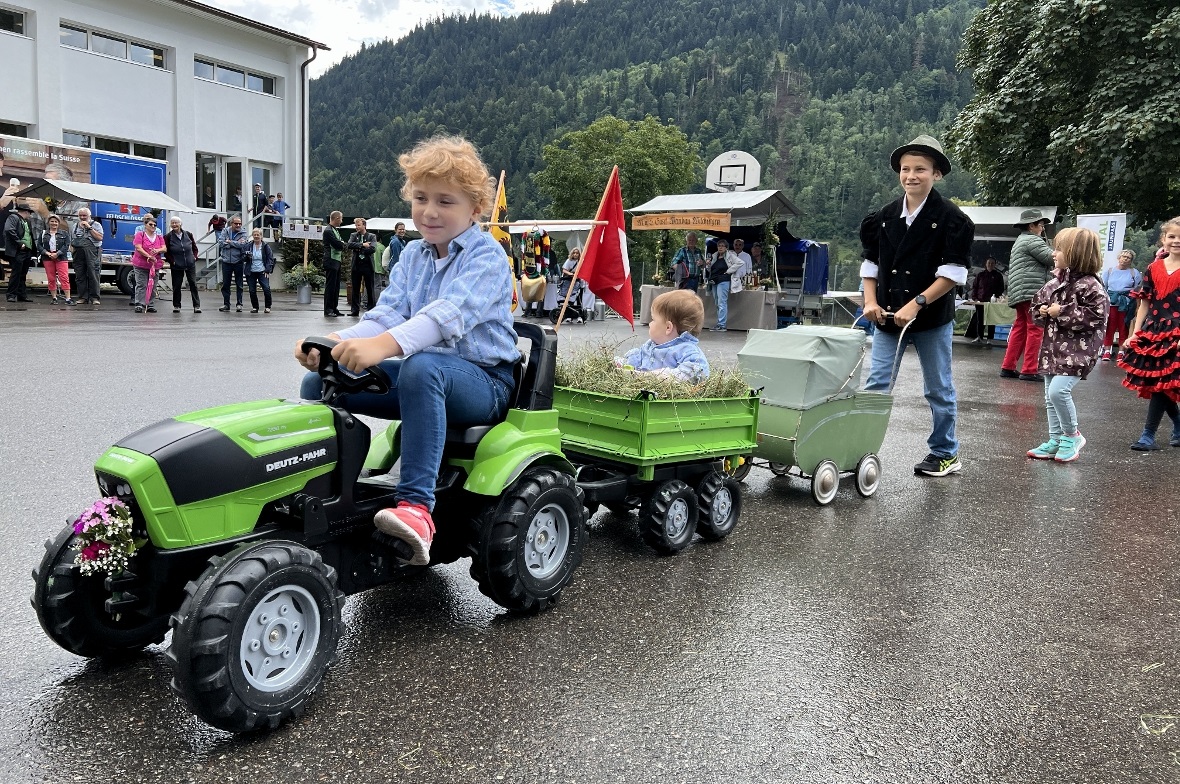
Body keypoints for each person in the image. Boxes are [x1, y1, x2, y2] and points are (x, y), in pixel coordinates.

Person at [293, 134, 518, 566]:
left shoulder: (487, 257)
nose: (429, 212)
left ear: (475, 209)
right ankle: (323, 488)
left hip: (484, 383)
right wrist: (336, 344)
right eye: (420, 198)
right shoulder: (413, 254)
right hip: (429, 377)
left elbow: (446, 316)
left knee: (421, 366)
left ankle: (417, 509)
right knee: (318, 380)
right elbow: (387, 313)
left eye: (445, 201)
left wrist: (383, 346)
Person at [860, 134, 974, 477]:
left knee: (938, 388)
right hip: (887, 317)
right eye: (905, 169)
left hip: (931, 318)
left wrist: (918, 303)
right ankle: (859, 449)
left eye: (920, 169)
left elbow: (952, 274)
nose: (911, 175)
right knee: (876, 385)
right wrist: (869, 301)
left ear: (936, 173)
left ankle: (944, 453)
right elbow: (871, 264)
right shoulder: (884, 216)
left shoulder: (953, 218)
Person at [1025, 228, 1109, 462]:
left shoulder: (1091, 286)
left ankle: (1072, 435)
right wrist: (1041, 311)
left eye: (1059, 249)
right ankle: (1056, 439)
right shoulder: (1054, 283)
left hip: (1078, 353)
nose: (1054, 253)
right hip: (1052, 351)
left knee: (1058, 392)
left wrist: (1061, 311)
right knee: (1050, 398)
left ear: (1077, 253)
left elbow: (1096, 317)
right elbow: (1036, 309)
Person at [1119, 215, 1180, 451]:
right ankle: (1176, 424)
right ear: (1163, 239)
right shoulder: (1153, 268)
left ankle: (1148, 435)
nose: (1176, 241)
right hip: (1153, 332)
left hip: (1176, 333)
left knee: (1164, 385)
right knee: (1158, 382)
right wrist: (1135, 333)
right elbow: (1144, 303)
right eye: (1171, 236)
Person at [1000, 209, 1054, 381]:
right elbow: (1051, 259)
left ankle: (1008, 367)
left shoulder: (1021, 240)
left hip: (1020, 291)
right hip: (1032, 291)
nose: (1043, 228)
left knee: (1020, 327)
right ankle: (1030, 369)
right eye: (1041, 225)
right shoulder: (1033, 240)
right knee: (1035, 328)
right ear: (1031, 226)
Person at [616, 289, 710, 382]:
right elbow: (635, 360)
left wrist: (656, 376)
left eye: (653, 319)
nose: (650, 324)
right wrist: (621, 364)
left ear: (668, 327)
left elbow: (695, 373)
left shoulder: (687, 351)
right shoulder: (650, 346)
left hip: (668, 395)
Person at [1100, 249, 1141, 361]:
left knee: (1123, 327)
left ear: (1131, 260)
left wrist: (1136, 306)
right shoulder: (1109, 271)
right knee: (1110, 326)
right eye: (1123, 256)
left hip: (1127, 303)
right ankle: (1107, 350)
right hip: (1112, 302)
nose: (1125, 259)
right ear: (1119, 258)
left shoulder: (1134, 273)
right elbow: (1104, 287)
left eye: (1128, 257)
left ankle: (1121, 351)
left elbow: (1137, 289)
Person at [164, 216, 201, 313]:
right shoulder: (168, 237)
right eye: (172, 223)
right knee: (177, 285)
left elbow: (194, 248)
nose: (174, 225)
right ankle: (177, 306)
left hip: (190, 263)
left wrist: (195, 257)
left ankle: (196, 306)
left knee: (193, 283)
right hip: (176, 265)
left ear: (180, 224)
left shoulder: (188, 234)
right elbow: (166, 252)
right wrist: (172, 261)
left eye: (176, 223)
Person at [131, 215, 166, 313]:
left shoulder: (159, 237)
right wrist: (148, 256)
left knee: (153, 285)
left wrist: (157, 250)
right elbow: (138, 247)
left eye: (155, 225)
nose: (153, 226)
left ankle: (150, 304)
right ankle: (139, 303)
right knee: (141, 284)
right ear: (145, 225)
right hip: (141, 264)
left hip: (155, 265)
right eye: (151, 224)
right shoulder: (140, 234)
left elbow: (164, 248)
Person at [70, 207, 104, 305]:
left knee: (93, 274)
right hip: (78, 253)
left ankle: (94, 298)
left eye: (84, 215)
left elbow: (100, 238)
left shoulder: (96, 225)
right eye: (80, 215)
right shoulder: (75, 226)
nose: (82, 217)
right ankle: (82, 297)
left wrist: (89, 227)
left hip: (92, 252)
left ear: (89, 216)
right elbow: (72, 239)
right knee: (80, 275)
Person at [707, 238, 742, 331]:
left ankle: (722, 325)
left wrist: (728, 271)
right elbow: (709, 269)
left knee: (722, 302)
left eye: (722, 246)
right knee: (717, 302)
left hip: (723, 280)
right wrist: (708, 264)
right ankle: (719, 323)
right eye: (719, 246)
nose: (720, 248)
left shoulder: (730, 255)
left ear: (726, 247)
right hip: (714, 280)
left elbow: (740, 262)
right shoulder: (715, 255)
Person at [969, 257, 1005, 345]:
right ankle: (979, 337)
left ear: (995, 265)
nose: (990, 265)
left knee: (991, 320)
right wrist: (975, 298)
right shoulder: (980, 275)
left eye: (992, 263)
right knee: (980, 319)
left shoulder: (998, 275)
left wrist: (996, 298)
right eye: (989, 263)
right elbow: (975, 287)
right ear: (986, 264)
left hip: (992, 302)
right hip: (980, 301)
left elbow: (1001, 288)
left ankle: (990, 339)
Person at [3, 202, 35, 302]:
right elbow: (9, 230)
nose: (30, 215)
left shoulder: (27, 222)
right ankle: (11, 295)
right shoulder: (13, 218)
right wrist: (19, 243)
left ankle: (22, 295)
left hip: (27, 251)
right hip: (18, 251)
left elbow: (29, 235)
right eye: (29, 213)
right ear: (26, 212)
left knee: (23, 274)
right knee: (16, 273)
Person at [40, 214, 74, 305]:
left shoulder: (64, 233)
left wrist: (57, 254)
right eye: (52, 221)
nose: (54, 223)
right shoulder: (43, 233)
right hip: (48, 257)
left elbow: (66, 245)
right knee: (51, 278)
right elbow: (39, 246)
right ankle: (54, 298)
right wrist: (47, 253)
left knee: (64, 277)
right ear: (48, 223)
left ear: (58, 223)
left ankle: (68, 298)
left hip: (61, 257)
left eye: (56, 221)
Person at [347, 217, 377, 316]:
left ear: (364, 225)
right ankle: (355, 310)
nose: (357, 227)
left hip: (368, 265)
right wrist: (362, 245)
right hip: (356, 265)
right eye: (356, 225)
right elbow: (350, 245)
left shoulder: (372, 236)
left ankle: (371, 309)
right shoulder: (353, 235)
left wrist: (359, 249)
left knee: (370, 288)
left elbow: (372, 249)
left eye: (358, 225)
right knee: (355, 288)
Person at [217, 215, 247, 312]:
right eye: (236, 223)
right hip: (226, 262)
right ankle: (226, 304)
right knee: (226, 284)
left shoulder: (243, 232)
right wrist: (234, 243)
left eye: (240, 223)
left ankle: (239, 304)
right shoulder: (225, 231)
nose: (238, 225)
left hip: (238, 261)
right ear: (231, 223)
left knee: (239, 284)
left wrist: (229, 242)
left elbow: (242, 245)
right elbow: (221, 243)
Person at [243, 227, 275, 313]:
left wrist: (267, 270)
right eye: (254, 235)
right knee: (252, 290)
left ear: (261, 236)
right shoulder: (248, 245)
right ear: (252, 236)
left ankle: (268, 306)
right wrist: (246, 256)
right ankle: (255, 307)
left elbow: (270, 259)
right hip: (251, 271)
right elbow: (243, 257)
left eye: (258, 235)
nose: (256, 236)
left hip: (262, 271)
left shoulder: (265, 246)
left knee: (266, 288)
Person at [321, 210, 346, 317]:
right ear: (336, 219)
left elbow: (341, 243)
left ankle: (334, 307)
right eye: (341, 218)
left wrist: (342, 244)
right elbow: (338, 244)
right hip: (331, 260)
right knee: (330, 286)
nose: (342, 220)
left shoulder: (335, 230)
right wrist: (342, 244)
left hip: (337, 260)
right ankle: (328, 309)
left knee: (336, 286)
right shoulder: (328, 231)